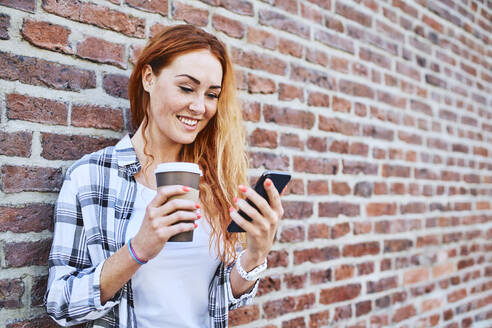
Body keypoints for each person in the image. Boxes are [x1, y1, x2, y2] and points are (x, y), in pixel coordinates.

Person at [45, 24, 284, 328]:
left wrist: (254, 255)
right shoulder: (91, 177)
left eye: (211, 94)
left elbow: (216, 299)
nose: (199, 107)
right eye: (186, 88)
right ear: (149, 77)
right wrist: (138, 249)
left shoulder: (215, 183)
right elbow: (60, 303)